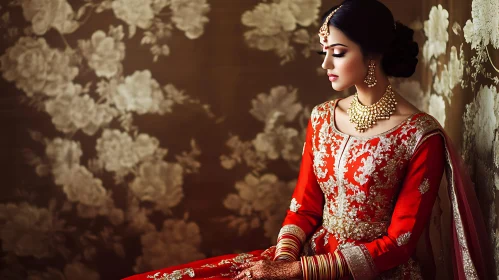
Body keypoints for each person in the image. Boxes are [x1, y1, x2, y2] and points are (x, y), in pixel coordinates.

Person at [124, 0, 494, 279]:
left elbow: (399, 244)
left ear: (372, 55)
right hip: (305, 255)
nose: (325, 66)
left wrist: (296, 272)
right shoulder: (322, 117)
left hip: (371, 271)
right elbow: (304, 206)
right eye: (325, 54)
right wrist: (283, 259)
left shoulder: (419, 135)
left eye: (337, 53)